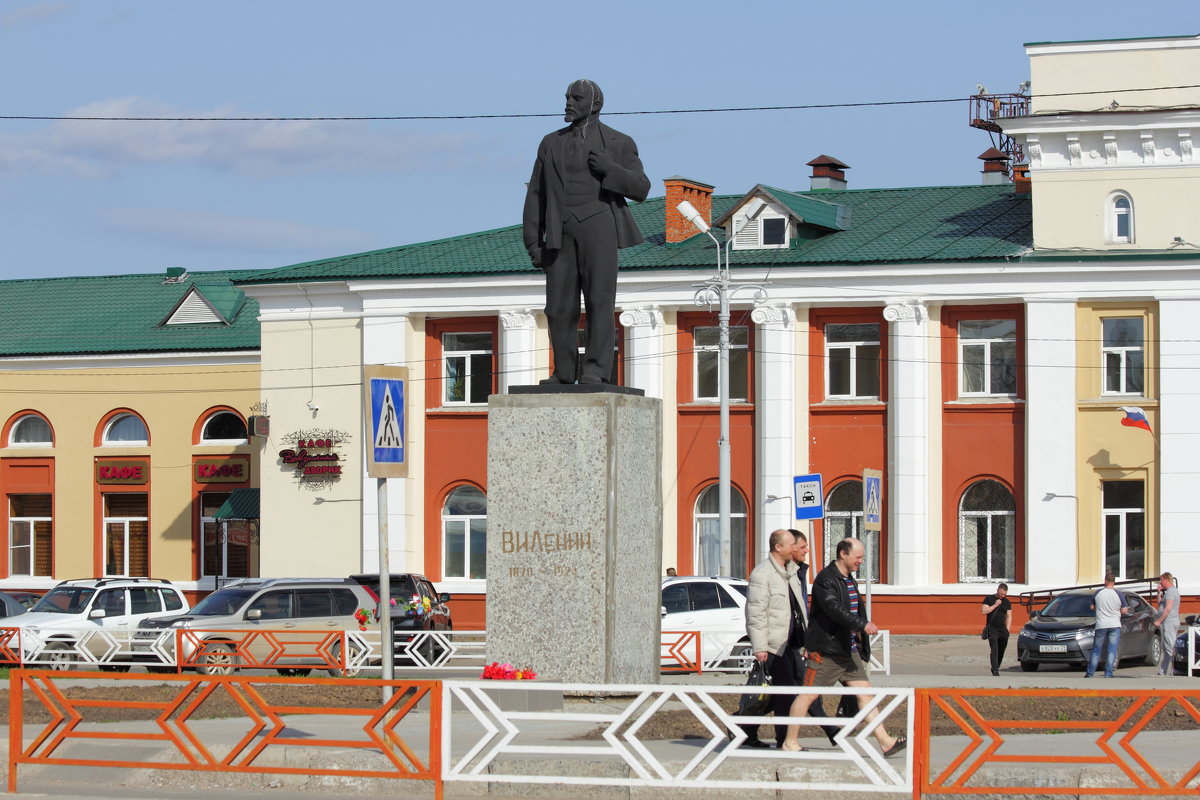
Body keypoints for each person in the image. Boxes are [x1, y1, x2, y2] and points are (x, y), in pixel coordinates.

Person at [522, 79, 651, 385]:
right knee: (557, 308)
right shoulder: (550, 143)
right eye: (567, 97)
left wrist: (610, 169)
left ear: (595, 104)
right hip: (559, 232)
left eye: (576, 98)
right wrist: (532, 242)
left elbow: (641, 188)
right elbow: (535, 195)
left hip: (599, 226)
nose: (568, 103)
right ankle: (564, 372)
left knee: (599, 302)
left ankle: (595, 371)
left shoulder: (618, 142)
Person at [781, 538, 905, 757]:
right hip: (826, 651)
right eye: (858, 557)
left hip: (847, 650)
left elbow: (855, 610)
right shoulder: (825, 580)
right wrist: (861, 625)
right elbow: (834, 609)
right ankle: (790, 742)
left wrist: (859, 637)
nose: (861, 561)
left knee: (865, 693)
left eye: (862, 557)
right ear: (843, 554)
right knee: (807, 696)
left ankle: (885, 742)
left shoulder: (849, 580)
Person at [741, 529, 805, 748]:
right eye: (791, 545)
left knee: (777, 692)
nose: (795, 548)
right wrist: (760, 647)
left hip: (790, 643)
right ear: (778, 548)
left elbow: (798, 607)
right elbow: (755, 613)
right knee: (784, 692)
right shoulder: (762, 574)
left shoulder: (791, 572)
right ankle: (784, 740)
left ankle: (743, 729)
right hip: (772, 646)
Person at [1086, 571, 1129, 678]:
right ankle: (1108, 673)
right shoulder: (1119, 594)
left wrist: (1100, 609)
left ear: (1105, 581)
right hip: (1114, 624)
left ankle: (1090, 673)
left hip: (1101, 624)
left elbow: (1092, 607)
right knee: (1112, 650)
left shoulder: (1098, 593)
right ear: (1114, 582)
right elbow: (1124, 611)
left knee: (1096, 650)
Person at [1153, 571, 1180, 676]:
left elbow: (1168, 608)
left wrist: (1159, 621)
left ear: (1166, 580)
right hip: (1166, 622)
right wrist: (1159, 592)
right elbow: (1160, 604)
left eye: (1161, 580)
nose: (1160, 583)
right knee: (1166, 647)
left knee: (1170, 646)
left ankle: (1174, 669)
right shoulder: (1168, 592)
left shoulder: (1171, 592)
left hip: (1169, 622)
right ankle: (1163, 670)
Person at [982, 583, 1012, 676]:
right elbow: (984, 611)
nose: (1003, 596)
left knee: (1001, 650)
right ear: (998, 590)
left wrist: (1007, 630)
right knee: (994, 649)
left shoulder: (1007, 602)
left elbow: (1009, 616)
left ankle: (996, 666)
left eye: (1004, 594)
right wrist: (995, 605)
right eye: (1001, 594)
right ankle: (995, 670)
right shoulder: (989, 599)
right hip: (992, 628)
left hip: (1002, 629)